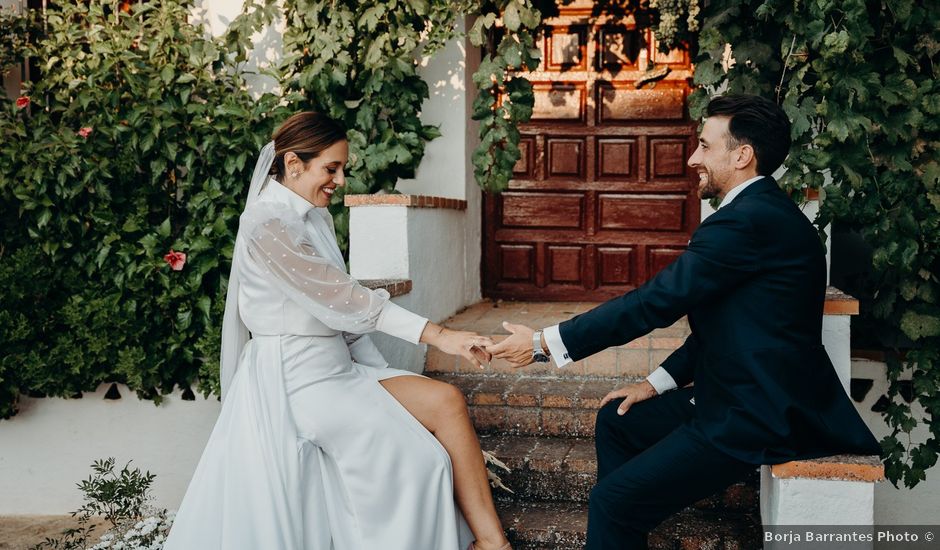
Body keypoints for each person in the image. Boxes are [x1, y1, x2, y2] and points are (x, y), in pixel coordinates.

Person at [487, 94, 880, 549]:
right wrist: (653, 385)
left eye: (704, 146)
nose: (694, 157)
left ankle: (624, 515)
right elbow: (730, 327)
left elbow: (653, 303)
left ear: (742, 155)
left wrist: (542, 342)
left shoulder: (746, 222)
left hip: (752, 415)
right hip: (734, 393)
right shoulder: (761, 214)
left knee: (611, 503)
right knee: (618, 419)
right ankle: (628, 522)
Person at [165, 112, 511, 550]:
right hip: (295, 382)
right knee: (421, 462)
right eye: (331, 168)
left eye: (341, 168)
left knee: (446, 401)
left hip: (340, 369)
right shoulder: (266, 224)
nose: (341, 180)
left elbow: (343, 320)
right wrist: (443, 337)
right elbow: (345, 299)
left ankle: (492, 543)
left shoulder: (315, 217)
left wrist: (380, 376)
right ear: (293, 164)